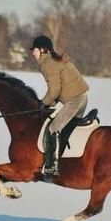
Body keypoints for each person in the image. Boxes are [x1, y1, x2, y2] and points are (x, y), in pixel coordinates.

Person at [30, 35, 89, 178]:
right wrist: (49, 102)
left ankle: (52, 166)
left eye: (35, 50)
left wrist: (42, 103)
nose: (33, 53)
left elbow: (54, 91)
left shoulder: (47, 64)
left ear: (43, 50)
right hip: (82, 98)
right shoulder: (53, 60)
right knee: (63, 127)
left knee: (53, 128)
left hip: (74, 100)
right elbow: (58, 90)